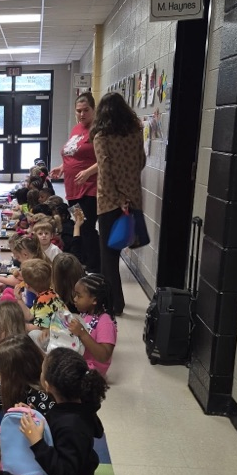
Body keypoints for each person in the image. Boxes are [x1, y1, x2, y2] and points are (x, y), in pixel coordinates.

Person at [19, 348, 107, 475]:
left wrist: (37, 442)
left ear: (47, 385)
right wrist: (35, 415)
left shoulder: (71, 425)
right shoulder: (81, 406)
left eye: (42, 370)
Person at [90, 92, 146, 316]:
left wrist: (118, 198)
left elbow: (104, 171)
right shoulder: (135, 133)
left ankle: (114, 303)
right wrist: (127, 195)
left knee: (108, 256)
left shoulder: (101, 137)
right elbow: (141, 162)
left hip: (109, 202)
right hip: (133, 199)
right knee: (118, 250)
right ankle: (113, 300)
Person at [49, 92, 100, 272]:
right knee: (79, 223)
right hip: (72, 189)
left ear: (93, 109)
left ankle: (94, 267)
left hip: (89, 188)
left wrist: (87, 172)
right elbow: (73, 155)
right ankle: (85, 260)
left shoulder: (98, 130)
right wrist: (62, 167)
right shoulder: (76, 129)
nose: (82, 114)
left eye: (86, 110)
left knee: (86, 226)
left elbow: (106, 158)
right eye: (78, 111)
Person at [68, 274, 117, 376]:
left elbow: (104, 356)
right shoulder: (85, 314)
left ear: (94, 300)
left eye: (79, 296)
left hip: (91, 370)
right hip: (81, 361)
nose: (75, 299)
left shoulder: (105, 322)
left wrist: (82, 333)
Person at [15, 258, 67, 346]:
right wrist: (19, 299)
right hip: (58, 332)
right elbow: (29, 316)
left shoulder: (43, 303)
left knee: (31, 334)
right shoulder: (49, 293)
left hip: (56, 339)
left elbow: (38, 328)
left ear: (27, 285)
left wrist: (19, 326)